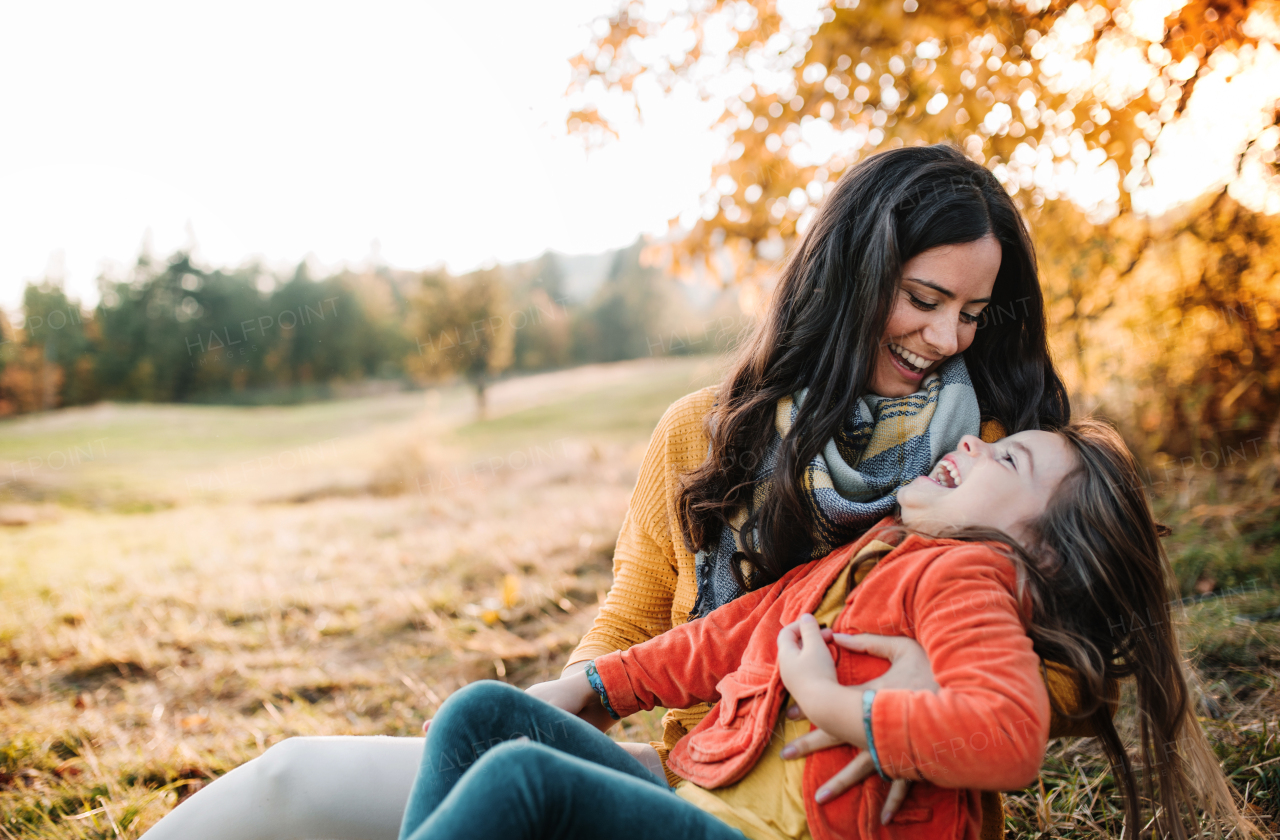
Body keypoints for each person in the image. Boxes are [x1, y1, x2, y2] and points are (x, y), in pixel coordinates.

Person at [139, 142, 1077, 840]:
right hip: (681, 770)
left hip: (812, 813)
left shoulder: (988, 460)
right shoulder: (703, 433)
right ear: (852, 278)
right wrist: (579, 692)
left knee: (513, 797)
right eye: (924, 299)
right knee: (298, 782)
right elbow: (637, 621)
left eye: (972, 312)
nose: (950, 338)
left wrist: (911, 706)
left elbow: (1085, 637)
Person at [397, 421, 1255, 840]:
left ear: (1043, 557)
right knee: (482, 714)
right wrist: (595, 686)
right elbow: (728, 635)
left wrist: (844, 710)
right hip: (703, 806)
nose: (970, 442)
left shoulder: (968, 575)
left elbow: (1010, 737)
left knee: (523, 784)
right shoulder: (885, 548)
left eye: (1008, 460)